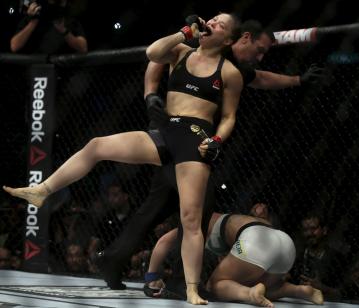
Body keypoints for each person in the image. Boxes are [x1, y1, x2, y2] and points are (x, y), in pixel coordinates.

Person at [3, 12, 243, 305]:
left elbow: (229, 116)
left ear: (228, 39)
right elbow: (152, 52)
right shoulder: (181, 52)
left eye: (220, 24)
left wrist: (216, 140)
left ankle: (192, 287)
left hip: (195, 138)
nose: (213, 23)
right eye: (213, 18)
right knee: (97, 145)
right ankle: (43, 190)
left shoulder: (229, 71)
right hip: (165, 131)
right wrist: (185, 32)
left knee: (191, 219)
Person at [94, 18, 324, 291]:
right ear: (244, 38)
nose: (259, 57)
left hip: (190, 144)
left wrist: (297, 80)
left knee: (159, 206)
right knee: (197, 211)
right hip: (174, 136)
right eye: (259, 50)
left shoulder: (232, 66)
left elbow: (261, 78)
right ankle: (180, 280)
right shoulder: (204, 40)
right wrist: (149, 95)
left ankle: (115, 258)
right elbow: (156, 58)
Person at [144, 212, 324, 307]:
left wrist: (151, 277)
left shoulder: (200, 220)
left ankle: (250, 295)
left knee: (214, 285)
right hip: (285, 245)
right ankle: (301, 291)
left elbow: (164, 241)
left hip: (255, 241)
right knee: (263, 287)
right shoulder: (235, 219)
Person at [10, 0, 87, 54]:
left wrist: (63, 31)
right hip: (35, 67)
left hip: (63, 70)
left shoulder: (68, 19)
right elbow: (14, 46)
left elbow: (83, 48)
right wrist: (33, 22)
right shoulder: (33, 17)